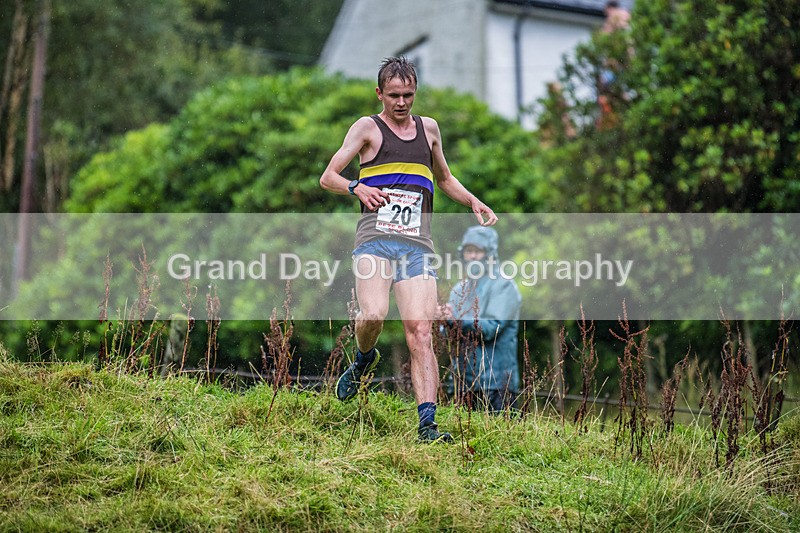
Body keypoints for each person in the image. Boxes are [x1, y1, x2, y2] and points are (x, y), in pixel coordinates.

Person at [319, 56, 497, 443]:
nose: (401, 103)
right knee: (374, 316)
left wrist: (472, 202)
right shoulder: (367, 128)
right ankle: (364, 358)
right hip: (375, 241)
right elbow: (328, 176)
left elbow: (445, 178)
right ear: (379, 93)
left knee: (420, 332)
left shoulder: (429, 129)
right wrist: (357, 187)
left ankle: (428, 425)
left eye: (409, 95)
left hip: (418, 246)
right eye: (394, 95)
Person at [440, 226, 522, 413]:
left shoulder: (504, 286)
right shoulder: (459, 289)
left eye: (478, 251)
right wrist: (444, 321)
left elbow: (489, 328)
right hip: (462, 384)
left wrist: (453, 320)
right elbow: (446, 335)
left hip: (497, 385)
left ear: (490, 253)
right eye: (469, 251)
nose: (473, 256)